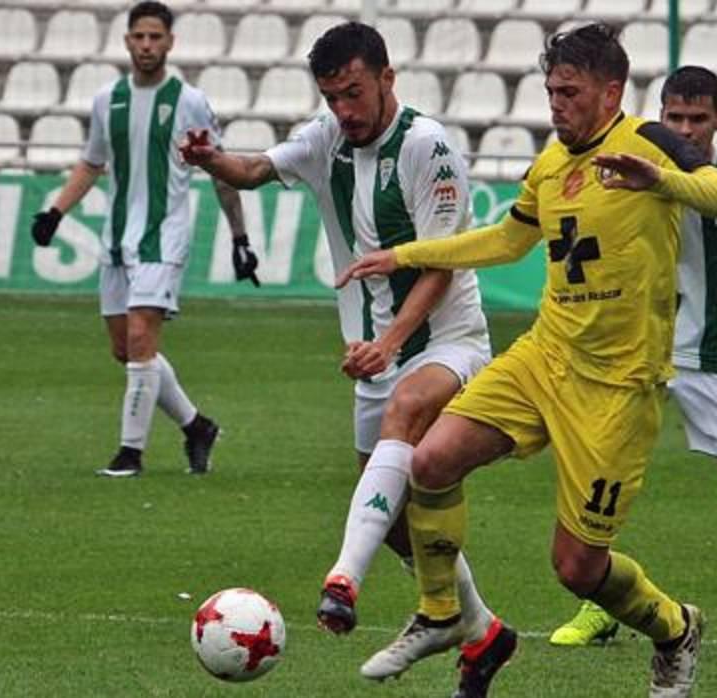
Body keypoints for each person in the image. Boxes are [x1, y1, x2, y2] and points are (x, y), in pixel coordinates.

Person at [339, 24, 717, 698]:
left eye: (570, 92)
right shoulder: (552, 163)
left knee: (576, 568)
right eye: (550, 91)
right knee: (430, 461)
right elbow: (507, 241)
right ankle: (442, 613)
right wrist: (406, 255)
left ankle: (675, 629)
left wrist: (665, 181)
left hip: (618, 387)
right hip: (545, 356)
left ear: (610, 91)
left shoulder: (649, 141)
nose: (555, 105)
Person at [178, 21, 501, 690]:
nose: (344, 112)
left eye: (354, 93)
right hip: (376, 353)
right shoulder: (328, 137)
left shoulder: (428, 147)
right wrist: (212, 159)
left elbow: (440, 265)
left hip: (448, 342)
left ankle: (342, 582)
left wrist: (389, 343)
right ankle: (480, 631)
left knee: (408, 416)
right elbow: (258, 168)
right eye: (331, 98)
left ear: (387, 78)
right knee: (391, 519)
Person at [547, 66, 717, 659]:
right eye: (675, 118)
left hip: (716, 349)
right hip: (637, 348)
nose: (686, 130)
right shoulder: (627, 162)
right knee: (605, 482)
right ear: (659, 115)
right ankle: (600, 605)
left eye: (698, 119)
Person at [30, 0, 256, 478]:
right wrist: (56, 211)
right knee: (125, 349)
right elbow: (93, 162)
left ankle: (129, 454)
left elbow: (218, 170)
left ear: (170, 42)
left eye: (156, 37)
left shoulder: (189, 101)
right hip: (115, 238)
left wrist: (239, 237)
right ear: (127, 40)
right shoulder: (106, 99)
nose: (147, 45)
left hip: (164, 235)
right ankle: (197, 426)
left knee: (140, 337)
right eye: (140, 37)